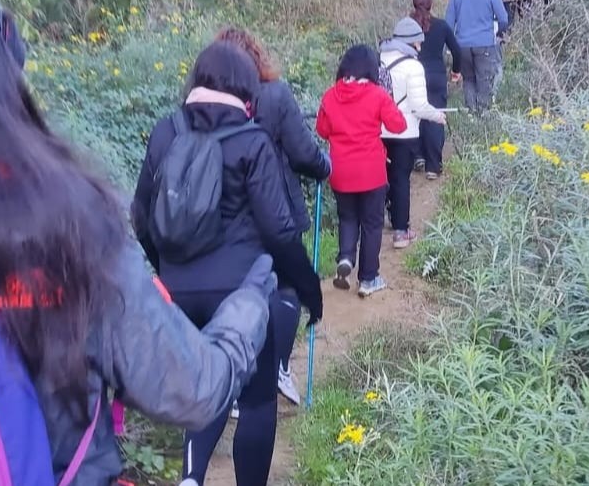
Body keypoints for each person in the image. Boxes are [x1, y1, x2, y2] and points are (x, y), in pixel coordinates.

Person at [0, 0, 272, 486]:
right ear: (8, 88)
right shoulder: (65, 229)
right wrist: (249, 306)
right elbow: (193, 389)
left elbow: (144, 207)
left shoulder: (163, 134)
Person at [132, 41, 323, 486]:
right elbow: (278, 230)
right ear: (246, 87)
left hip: (179, 291)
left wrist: (166, 269)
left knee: (204, 389)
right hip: (241, 294)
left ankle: (191, 477)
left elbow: (140, 213)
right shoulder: (251, 140)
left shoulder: (166, 131)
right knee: (256, 402)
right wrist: (307, 286)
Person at [215, 27, 330, 407]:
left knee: (236, 291)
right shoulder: (275, 94)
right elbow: (301, 152)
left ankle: (232, 378)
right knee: (286, 289)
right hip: (275, 207)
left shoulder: (202, 101)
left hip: (223, 215)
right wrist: (323, 167)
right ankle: (277, 366)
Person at [316, 45, 406, 297]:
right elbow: (398, 125)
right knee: (372, 223)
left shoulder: (330, 95)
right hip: (371, 171)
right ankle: (368, 278)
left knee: (348, 218)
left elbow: (322, 130)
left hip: (340, 171)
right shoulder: (377, 95)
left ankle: (345, 257)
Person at [380, 17, 446, 249]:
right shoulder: (413, 67)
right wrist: (437, 116)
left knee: (383, 177)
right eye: (418, 42)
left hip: (378, 130)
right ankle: (401, 231)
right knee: (400, 179)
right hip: (404, 131)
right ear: (411, 42)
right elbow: (418, 106)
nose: (420, 46)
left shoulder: (377, 59)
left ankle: (384, 218)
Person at [445, 0, 509, 113]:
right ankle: (483, 115)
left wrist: (450, 46)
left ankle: (471, 113)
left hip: (462, 45)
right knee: (485, 80)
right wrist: (499, 34)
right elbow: (503, 19)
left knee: (468, 80)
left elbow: (448, 22)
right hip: (485, 43)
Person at [411, 0, 461, 179]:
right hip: (436, 76)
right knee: (434, 117)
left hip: (413, 74)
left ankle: (417, 156)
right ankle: (433, 166)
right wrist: (456, 71)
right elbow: (456, 50)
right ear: (431, 5)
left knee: (415, 115)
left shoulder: (407, 25)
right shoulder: (441, 25)